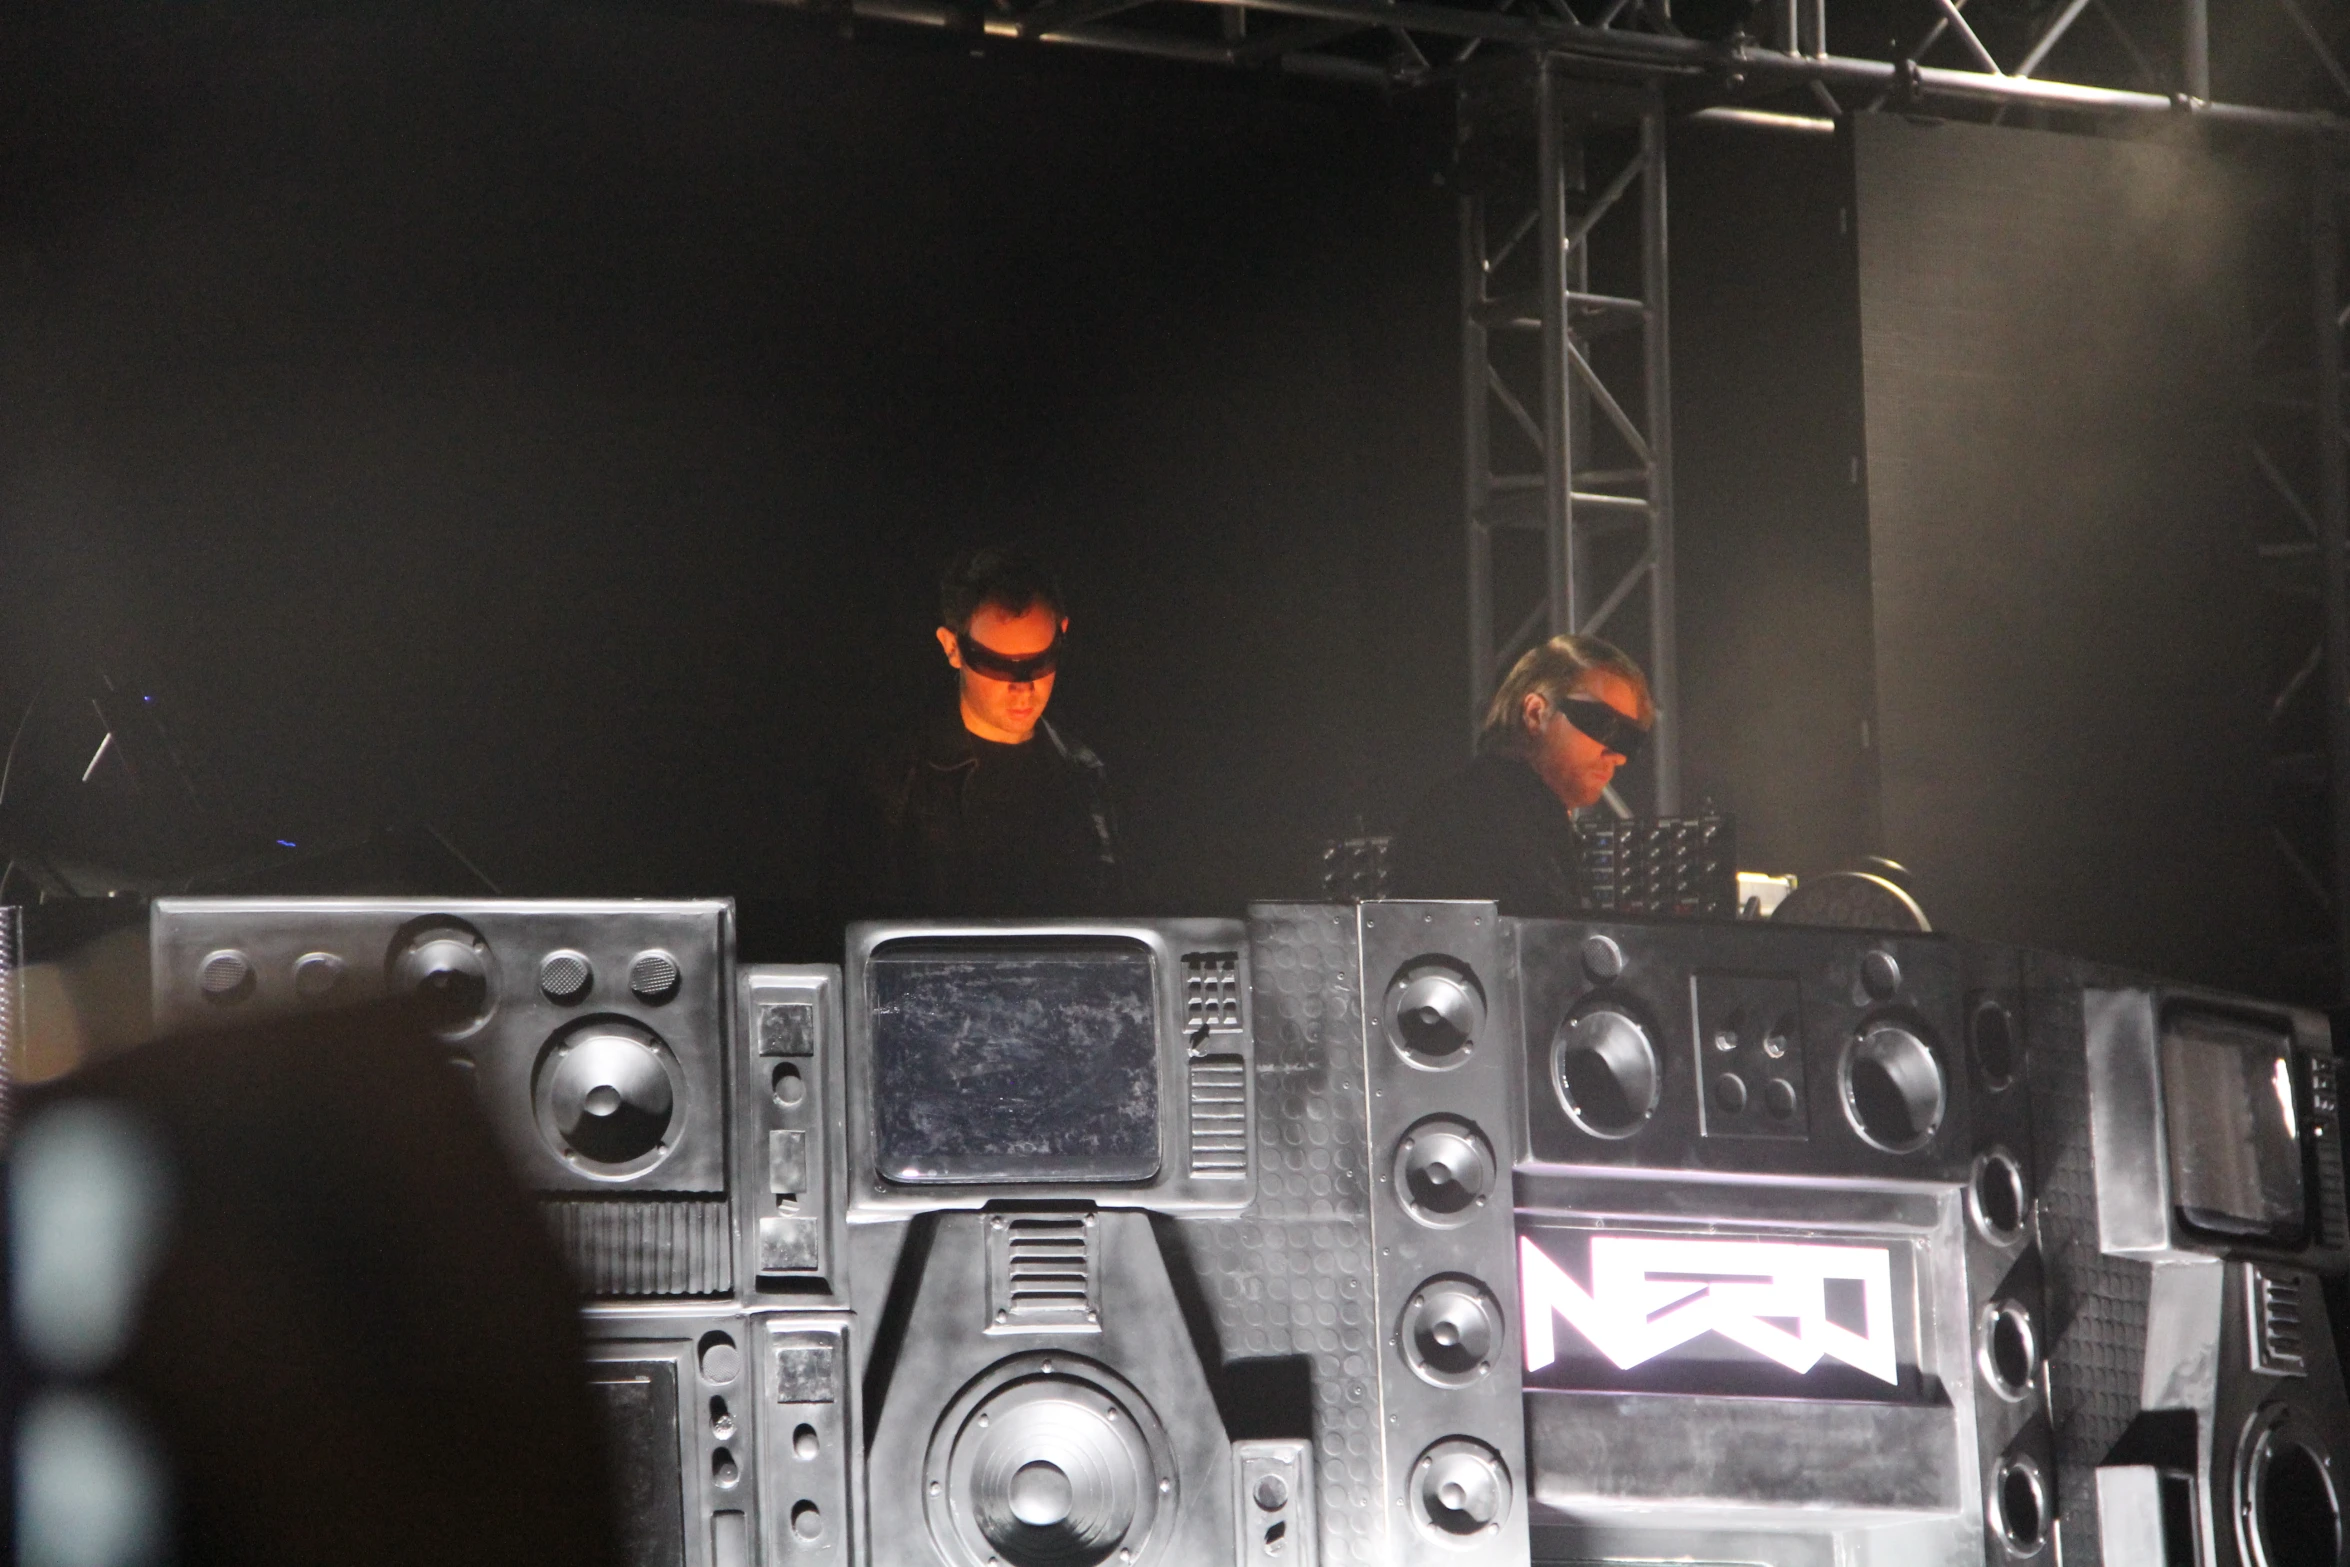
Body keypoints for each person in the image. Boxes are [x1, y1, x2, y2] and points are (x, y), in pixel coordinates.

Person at [822, 545, 1118, 921]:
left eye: (1041, 660)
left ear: (1062, 634)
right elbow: (856, 940)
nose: (1023, 686)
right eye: (996, 664)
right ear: (952, 647)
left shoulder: (1083, 773)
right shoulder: (889, 778)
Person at [1387, 633, 1653, 916]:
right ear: (1536, 713)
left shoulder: (1495, 805)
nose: (1618, 756)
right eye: (1604, 727)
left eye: (1628, 740)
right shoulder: (1482, 817)